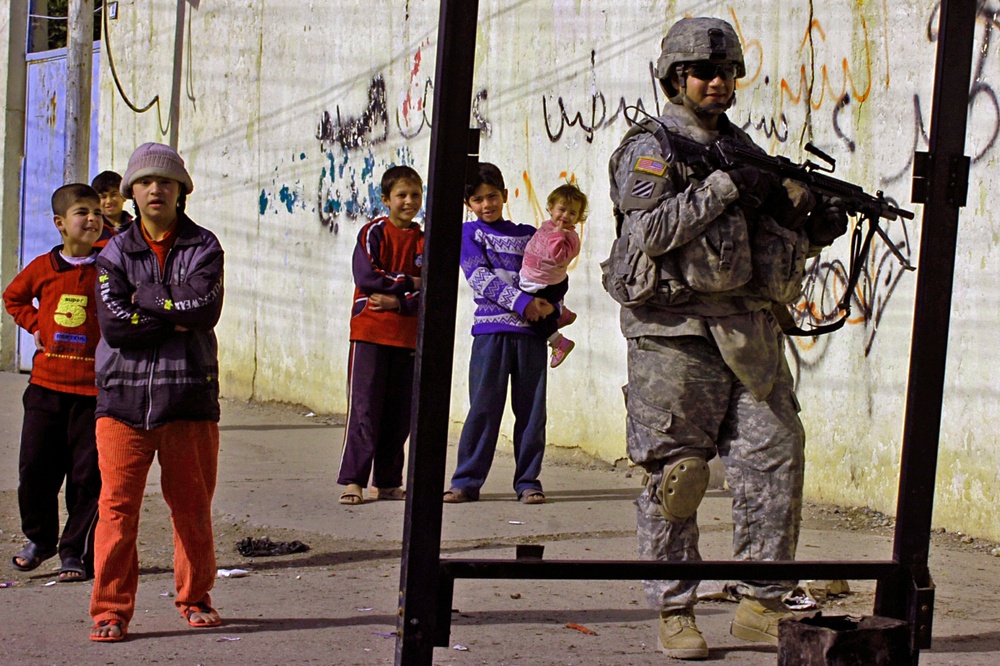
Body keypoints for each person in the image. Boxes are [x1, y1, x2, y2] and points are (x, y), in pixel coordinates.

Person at [604, 17, 848, 660]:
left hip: (748, 330)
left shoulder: (745, 148)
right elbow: (650, 232)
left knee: (776, 455)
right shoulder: (651, 147)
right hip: (674, 334)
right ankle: (675, 608)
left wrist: (809, 219)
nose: (717, 82)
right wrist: (725, 185)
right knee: (677, 474)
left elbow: (763, 237)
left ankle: (760, 603)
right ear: (675, 78)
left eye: (726, 72)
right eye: (703, 73)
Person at [88, 143, 225, 642]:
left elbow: (203, 311)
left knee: (192, 507)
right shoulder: (114, 252)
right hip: (121, 404)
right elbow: (116, 327)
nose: (155, 189)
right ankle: (110, 609)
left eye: (165, 182)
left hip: (188, 399)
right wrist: (172, 311)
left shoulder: (204, 247)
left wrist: (146, 298)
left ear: (180, 191)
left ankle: (194, 597)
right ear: (131, 193)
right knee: (117, 511)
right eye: (144, 182)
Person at [3, 183, 104, 583]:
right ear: (60, 223)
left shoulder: (110, 267)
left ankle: (74, 552)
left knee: (87, 478)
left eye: (97, 212)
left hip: (95, 393)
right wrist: (34, 325)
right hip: (46, 388)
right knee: (36, 471)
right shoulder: (43, 268)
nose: (93, 219)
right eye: (83, 212)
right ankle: (40, 539)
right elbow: (13, 298)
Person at [443, 162, 553, 505]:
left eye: (492, 196)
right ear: (468, 204)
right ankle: (466, 481)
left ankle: (528, 481)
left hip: (531, 335)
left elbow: (546, 275)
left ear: (505, 195)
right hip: (491, 333)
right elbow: (479, 279)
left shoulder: (529, 234)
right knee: (484, 408)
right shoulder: (468, 234)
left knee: (532, 412)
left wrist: (552, 308)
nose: (487, 204)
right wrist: (523, 304)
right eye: (478, 199)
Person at [337, 165, 424, 505]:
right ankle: (354, 480)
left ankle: (388, 480)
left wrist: (398, 301)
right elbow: (367, 276)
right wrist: (410, 283)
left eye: (415, 195)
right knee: (364, 409)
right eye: (401, 195)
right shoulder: (373, 232)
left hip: (407, 336)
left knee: (399, 414)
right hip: (370, 333)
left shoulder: (422, 238)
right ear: (386, 199)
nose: (409, 201)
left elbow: (434, 287)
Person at [518, 183, 587, 368]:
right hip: (537, 279)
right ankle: (561, 312)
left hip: (545, 285)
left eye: (572, 213)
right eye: (561, 209)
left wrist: (558, 237)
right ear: (550, 208)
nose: (565, 216)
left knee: (535, 316)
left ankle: (558, 342)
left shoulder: (569, 237)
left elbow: (559, 258)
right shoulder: (548, 226)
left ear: (579, 218)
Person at [91, 170, 133, 243]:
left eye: (114, 195)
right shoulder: (93, 229)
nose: (109, 201)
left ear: (123, 196)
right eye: (103, 197)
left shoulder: (135, 228)